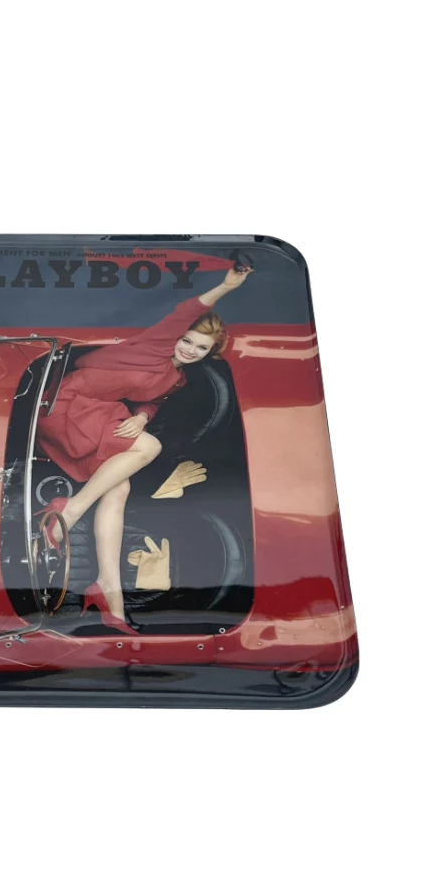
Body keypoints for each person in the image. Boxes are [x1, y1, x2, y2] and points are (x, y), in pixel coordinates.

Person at [36, 263, 253, 632]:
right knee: (149, 448)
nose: (191, 350)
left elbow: (153, 401)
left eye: (202, 348)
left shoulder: (177, 376)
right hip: (67, 405)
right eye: (187, 341)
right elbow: (186, 311)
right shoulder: (155, 346)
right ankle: (68, 512)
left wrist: (142, 416)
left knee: (118, 488)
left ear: (210, 352)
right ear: (176, 337)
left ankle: (110, 594)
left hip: (95, 417)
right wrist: (226, 287)